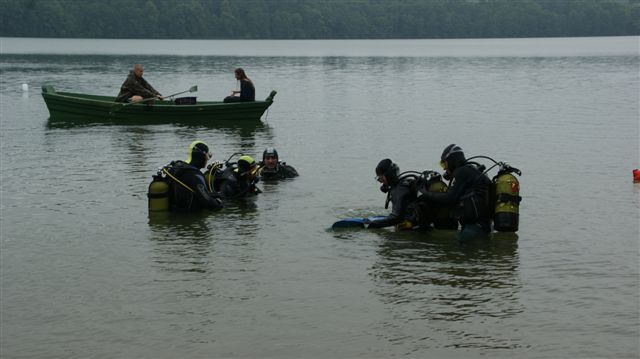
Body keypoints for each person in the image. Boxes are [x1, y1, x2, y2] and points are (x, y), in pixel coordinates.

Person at [417, 144, 492, 240]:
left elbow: (449, 198)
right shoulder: (471, 170)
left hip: (474, 227)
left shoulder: (462, 172)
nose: (444, 168)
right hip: (483, 225)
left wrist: (424, 193)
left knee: (453, 247)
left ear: (452, 160)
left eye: (444, 164)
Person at [165, 141, 223, 212]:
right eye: (208, 156)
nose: (207, 159)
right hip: (188, 218)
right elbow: (208, 203)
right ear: (201, 156)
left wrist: (213, 195)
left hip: (174, 212)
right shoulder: (195, 175)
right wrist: (220, 205)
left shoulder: (178, 167)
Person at [365, 159, 419, 229]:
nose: (381, 182)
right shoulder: (406, 183)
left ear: (388, 175)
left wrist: (373, 224)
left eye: (381, 178)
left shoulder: (398, 190)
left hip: (415, 229)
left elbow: (396, 218)